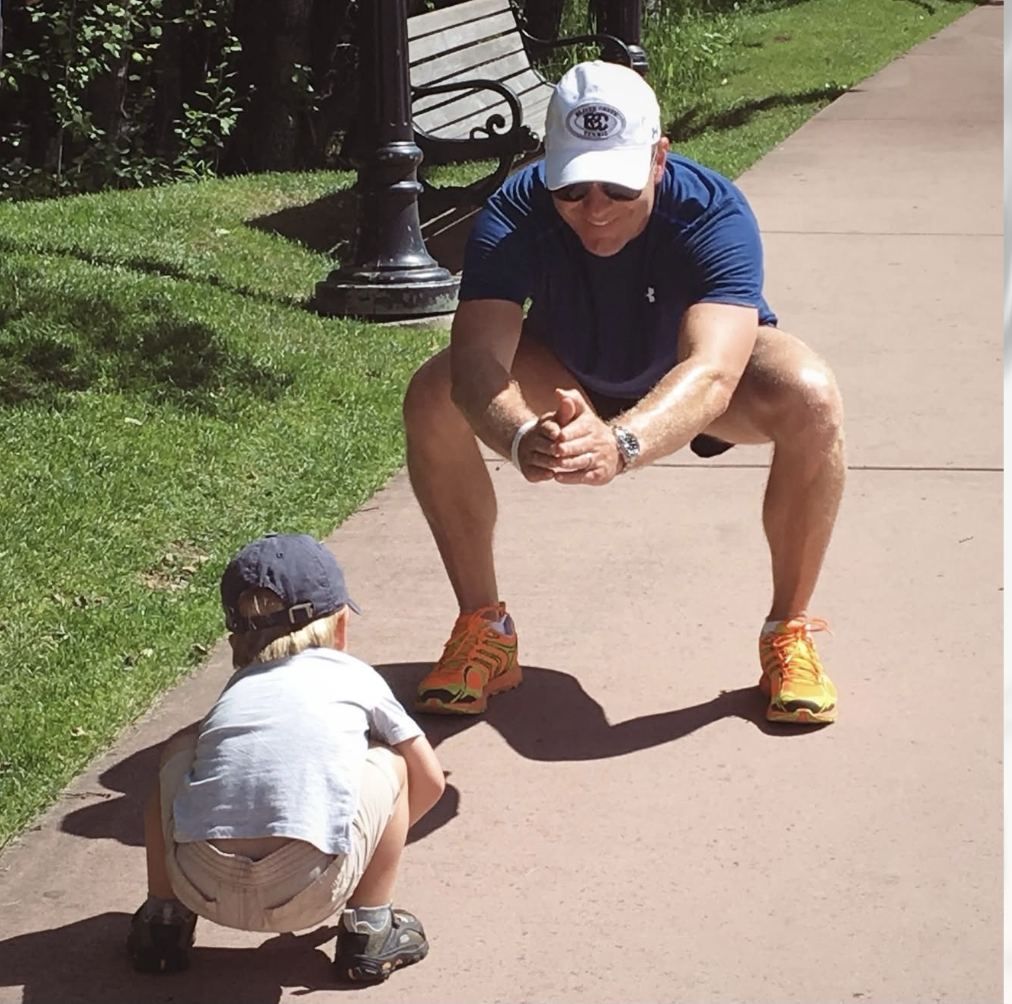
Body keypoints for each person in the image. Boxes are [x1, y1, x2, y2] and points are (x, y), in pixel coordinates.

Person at [402, 60, 845, 726]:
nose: (596, 207)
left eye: (617, 182)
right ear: (547, 166)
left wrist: (625, 442)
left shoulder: (712, 210)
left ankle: (788, 631)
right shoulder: (515, 212)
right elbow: (475, 360)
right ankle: (485, 629)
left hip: (689, 384)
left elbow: (715, 371)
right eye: (574, 188)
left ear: (659, 158)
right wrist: (519, 436)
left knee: (812, 396)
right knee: (433, 392)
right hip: (567, 377)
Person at [126, 532, 445, 982]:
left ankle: (163, 922)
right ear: (340, 625)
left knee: (180, 751)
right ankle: (369, 930)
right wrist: (365, 844)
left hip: (198, 880)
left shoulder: (237, 691)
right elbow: (431, 781)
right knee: (392, 762)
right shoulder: (355, 676)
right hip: (311, 886)